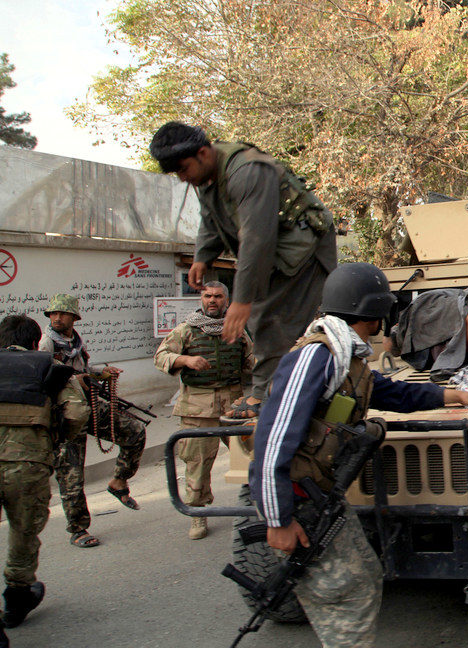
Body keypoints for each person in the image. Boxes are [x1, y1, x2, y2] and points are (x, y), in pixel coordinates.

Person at [249, 262, 468, 648]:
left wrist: (455, 395)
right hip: (298, 502)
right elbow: (274, 437)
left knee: (361, 576)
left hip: (321, 496)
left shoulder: (347, 359)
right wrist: (278, 518)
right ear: (371, 312)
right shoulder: (316, 357)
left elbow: (392, 393)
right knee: (346, 596)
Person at [149, 121, 337, 419]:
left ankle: (266, 396)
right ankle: (272, 390)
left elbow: (256, 238)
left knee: (269, 318)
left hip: (304, 248)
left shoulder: (247, 171)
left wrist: (242, 299)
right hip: (279, 250)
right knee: (265, 317)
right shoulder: (208, 178)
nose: (183, 178)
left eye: (183, 169)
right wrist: (202, 256)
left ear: (202, 153)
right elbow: (211, 220)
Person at [0, 314, 89, 641]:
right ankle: (17, 596)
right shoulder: (49, 367)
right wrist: (56, 439)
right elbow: (78, 412)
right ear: (35, 340)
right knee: (23, 530)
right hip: (29, 463)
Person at [38, 294, 147, 548]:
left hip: (89, 404)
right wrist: (80, 380)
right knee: (71, 474)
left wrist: (100, 373)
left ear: (74, 317)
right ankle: (78, 529)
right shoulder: (46, 345)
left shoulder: (74, 342)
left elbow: (81, 369)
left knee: (135, 431)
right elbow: (47, 381)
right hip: (65, 413)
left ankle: (119, 481)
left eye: (62, 313)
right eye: (53, 313)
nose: (56, 317)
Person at [154, 282, 254, 540]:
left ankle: (260, 504)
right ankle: (198, 513)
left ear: (226, 300)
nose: (212, 300)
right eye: (208, 296)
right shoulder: (186, 330)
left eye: (218, 296)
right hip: (197, 409)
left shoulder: (237, 330)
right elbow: (161, 356)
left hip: (233, 407)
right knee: (197, 464)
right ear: (201, 299)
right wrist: (185, 359)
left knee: (254, 457)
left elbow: (251, 362)